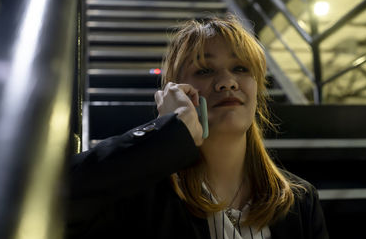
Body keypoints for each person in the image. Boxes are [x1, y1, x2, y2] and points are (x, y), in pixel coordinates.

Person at [66, 15, 329, 239]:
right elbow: (55, 194)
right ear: (176, 90)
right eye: (204, 70)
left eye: (240, 68)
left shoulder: (300, 201)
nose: (227, 82)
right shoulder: (139, 195)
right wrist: (166, 131)